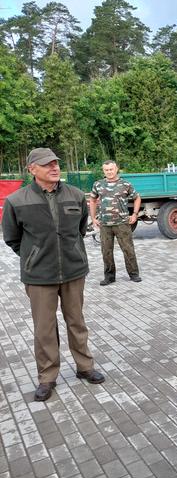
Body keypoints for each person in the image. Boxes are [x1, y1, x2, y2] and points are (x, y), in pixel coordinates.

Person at [2, 148, 105, 402]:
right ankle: (47, 377)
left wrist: (68, 251)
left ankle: (84, 366)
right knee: (44, 328)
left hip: (73, 271)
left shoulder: (75, 195)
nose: (54, 168)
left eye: (56, 163)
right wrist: (34, 256)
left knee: (77, 322)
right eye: (47, 164)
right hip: (39, 276)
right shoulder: (17, 201)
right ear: (32, 170)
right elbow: (13, 238)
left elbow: (81, 227)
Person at [89, 160, 142, 285]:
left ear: (116, 169)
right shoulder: (98, 184)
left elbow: (137, 198)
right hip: (105, 224)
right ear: (103, 171)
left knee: (128, 249)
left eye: (111, 169)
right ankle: (109, 276)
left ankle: (134, 274)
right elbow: (92, 200)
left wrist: (134, 214)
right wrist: (93, 217)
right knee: (106, 251)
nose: (109, 172)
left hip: (122, 223)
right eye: (106, 170)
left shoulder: (125, 184)